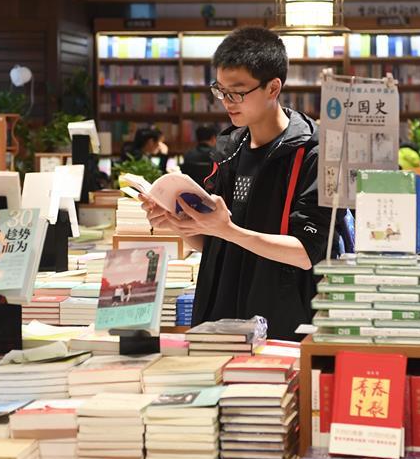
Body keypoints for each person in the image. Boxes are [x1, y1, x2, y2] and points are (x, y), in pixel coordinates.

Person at [140, 26, 337, 340]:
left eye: (237, 92)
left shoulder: (315, 152)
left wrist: (226, 230)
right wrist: (182, 224)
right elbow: (213, 243)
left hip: (281, 326)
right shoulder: (230, 147)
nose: (227, 102)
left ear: (273, 88)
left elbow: (307, 252)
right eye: (220, 90)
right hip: (217, 315)